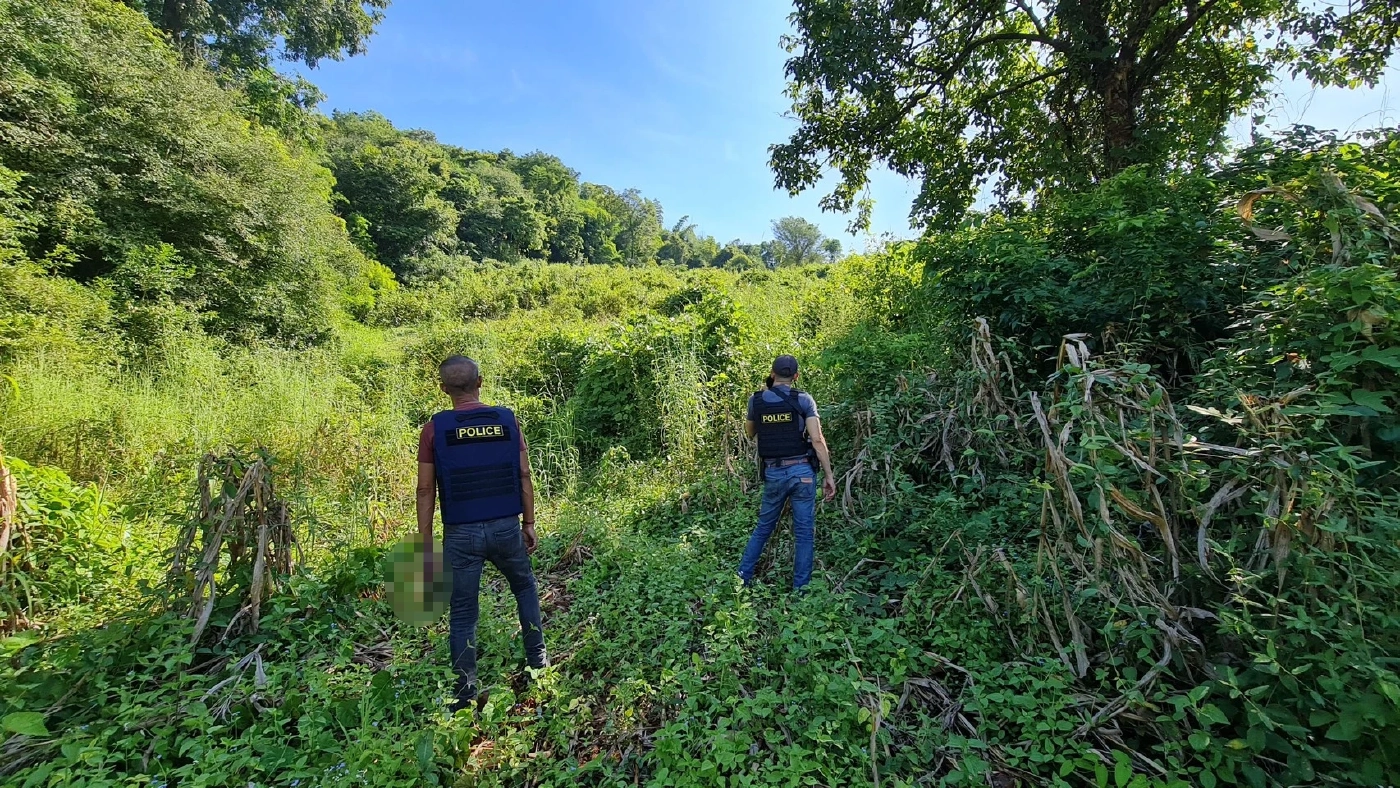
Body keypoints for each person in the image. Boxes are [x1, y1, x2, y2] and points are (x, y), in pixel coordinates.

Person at [418, 355, 547, 712]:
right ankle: (539, 663)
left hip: (460, 534)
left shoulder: (434, 430)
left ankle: (464, 697)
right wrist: (529, 523)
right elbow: (524, 475)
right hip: (506, 526)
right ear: (481, 381)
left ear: (444, 390)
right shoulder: (507, 421)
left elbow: (426, 490)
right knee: (524, 587)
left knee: (462, 614)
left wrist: (425, 540)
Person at [737, 355, 836, 590]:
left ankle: (741, 580)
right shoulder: (803, 400)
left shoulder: (756, 400)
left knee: (763, 527)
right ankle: (801, 591)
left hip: (774, 472)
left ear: (772, 374)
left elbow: (750, 432)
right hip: (802, 472)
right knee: (803, 533)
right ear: (796, 376)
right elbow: (817, 439)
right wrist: (829, 475)